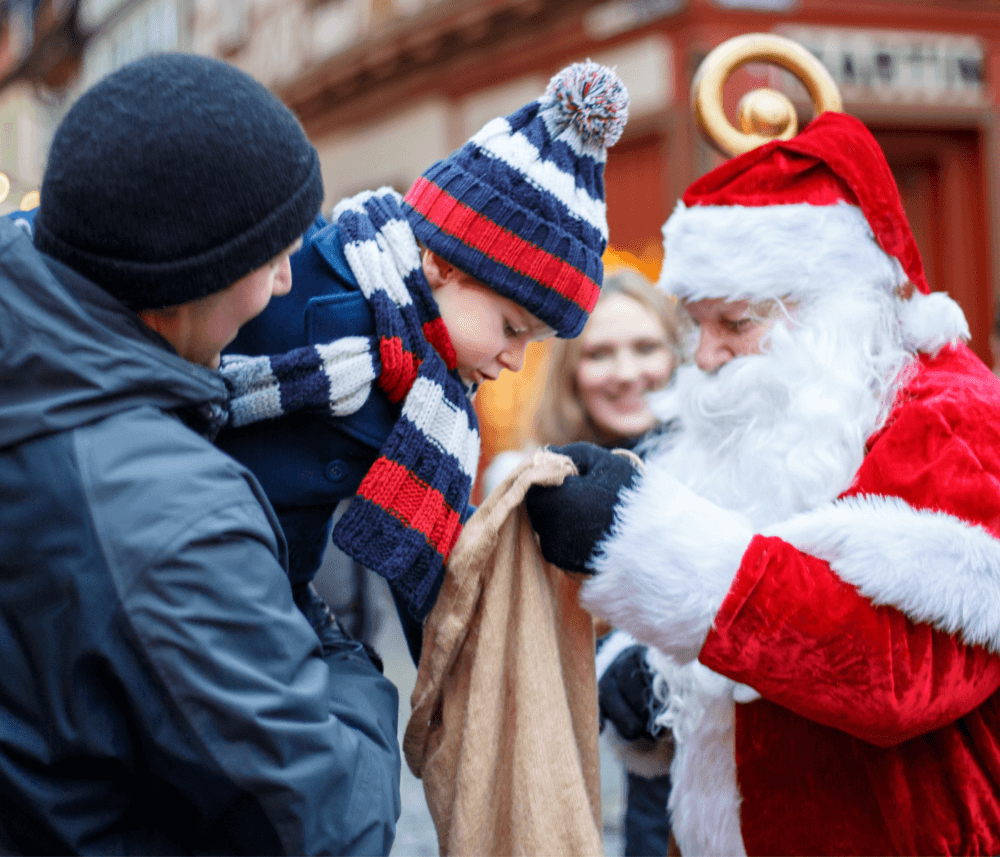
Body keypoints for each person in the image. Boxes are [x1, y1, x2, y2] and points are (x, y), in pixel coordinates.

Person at [525, 109, 1000, 855]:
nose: (705, 357)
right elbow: (745, 614)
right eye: (697, 325)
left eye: (735, 322)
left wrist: (638, 537)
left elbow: (898, 669)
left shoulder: (954, 417)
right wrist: (647, 671)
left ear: (831, 308)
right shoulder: (786, 411)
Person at [0, 53, 402, 854]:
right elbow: (329, 827)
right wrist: (340, 656)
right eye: (271, 257)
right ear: (187, 281)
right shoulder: (172, 514)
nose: (287, 283)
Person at [213, 61, 629, 663]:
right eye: (511, 328)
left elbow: (433, 576)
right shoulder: (291, 269)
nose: (514, 360)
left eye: (531, 342)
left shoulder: (434, 403)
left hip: (271, 612)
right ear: (442, 264)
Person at [534, 266, 684, 857]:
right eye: (600, 353)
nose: (626, 374)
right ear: (571, 374)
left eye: (646, 347)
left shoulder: (729, 472)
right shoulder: (539, 484)